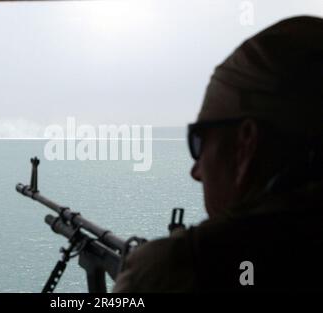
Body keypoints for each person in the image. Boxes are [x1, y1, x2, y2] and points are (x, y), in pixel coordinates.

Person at [113, 15, 323, 292]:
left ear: (246, 142)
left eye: (199, 142)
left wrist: (151, 268)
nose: (196, 172)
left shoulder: (181, 267)